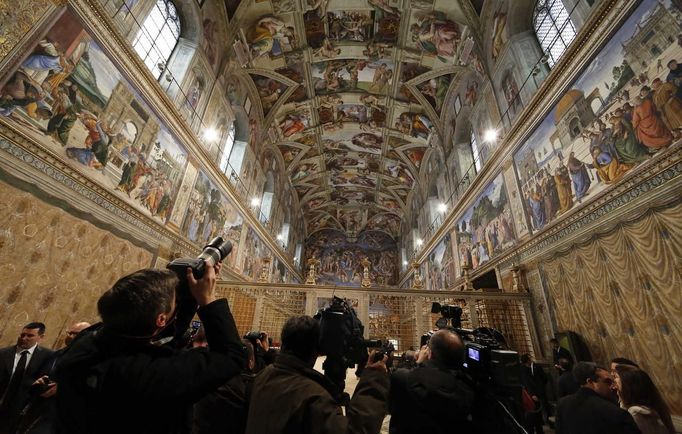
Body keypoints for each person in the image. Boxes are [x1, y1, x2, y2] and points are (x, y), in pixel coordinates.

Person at [54, 264, 246, 434]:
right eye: (174, 303)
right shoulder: (150, 374)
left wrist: (189, 300)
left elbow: (160, 334)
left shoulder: (87, 342)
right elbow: (231, 355)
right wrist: (208, 299)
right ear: (161, 319)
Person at [244, 315, 389, 434]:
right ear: (319, 349)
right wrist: (374, 377)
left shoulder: (260, 377)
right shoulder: (313, 397)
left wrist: (267, 353)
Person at [389, 329, 475, 434]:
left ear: (429, 354)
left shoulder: (405, 379)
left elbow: (391, 404)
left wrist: (418, 363)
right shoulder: (470, 390)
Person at [16, 321, 91, 433]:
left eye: (75, 334)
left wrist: (62, 387)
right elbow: (35, 376)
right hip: (38, 409)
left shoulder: (91, 359)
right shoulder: (55, 355)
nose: (70, 336)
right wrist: (38, 383)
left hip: (63, 414)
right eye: (69, 333)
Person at [555, 362, 641, 434]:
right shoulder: (615, 413)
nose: (613, 386)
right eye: (607, 382)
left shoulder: (562, 404)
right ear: (590, 381)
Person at [0, 322, 54, 434]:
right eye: (22, 335)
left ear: (41, 337)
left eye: (30, 336)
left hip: (23, 409)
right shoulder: (3, 353)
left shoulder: (48, 356)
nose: (24, 338)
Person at [613, 365, 675, 434]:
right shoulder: (647, 406)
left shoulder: (636, 412)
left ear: (627, 383)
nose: (614, 383)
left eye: (616, 377)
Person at [521, 353, 548, 434]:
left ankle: (540, 429)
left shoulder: (536, 367)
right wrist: (532, 394)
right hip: (529, 395)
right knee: (532, 414)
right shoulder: (522, 369)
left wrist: (541, 388)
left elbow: (544, 378)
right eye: (529, 359)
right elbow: (526, 382)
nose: (531, 360)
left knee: (538, 413)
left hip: (539, 393)